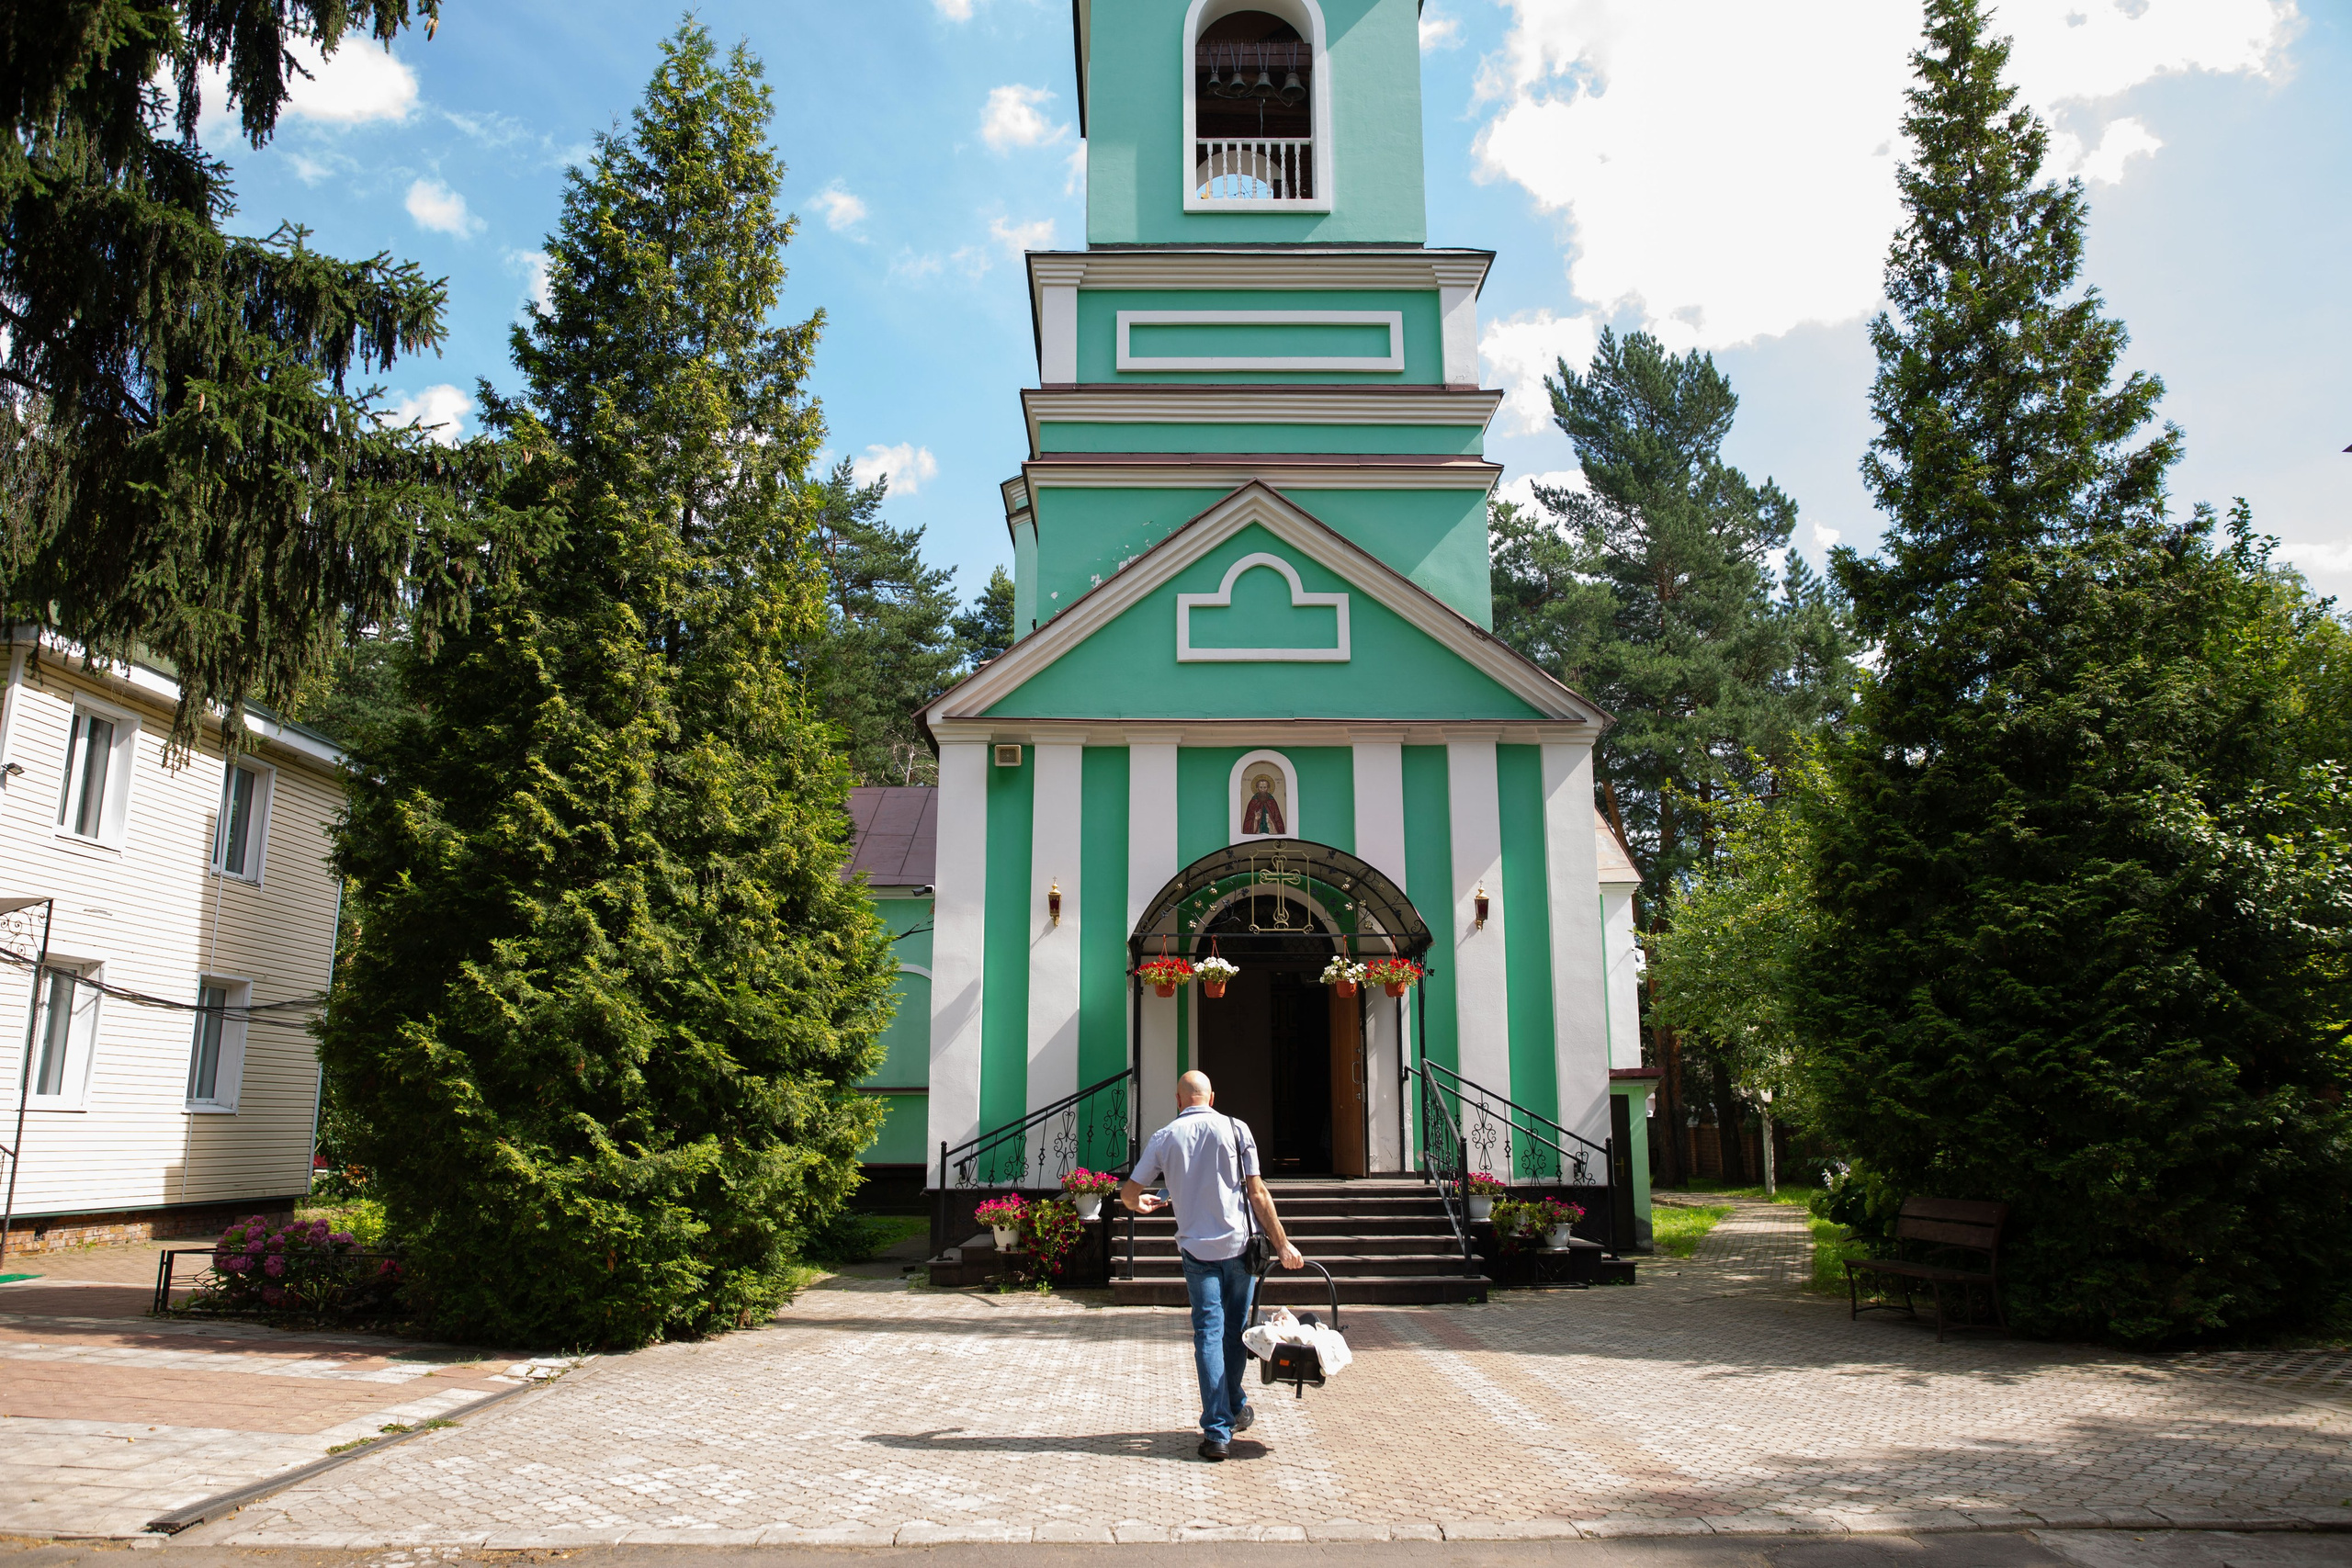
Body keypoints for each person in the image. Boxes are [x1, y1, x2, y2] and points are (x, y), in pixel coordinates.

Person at [1121, 1070, 1303, 1461]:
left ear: (1178, 1099)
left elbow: (1129, 1194)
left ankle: (1219, 1428)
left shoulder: (1165, 1137)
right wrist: (1283, 1243)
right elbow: (1257, 1192)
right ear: (1212, 1097)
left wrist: (1144, 1203)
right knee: (1234, 1332)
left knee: (1208, 1333)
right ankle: (1231, 1407)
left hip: (1197, 1253)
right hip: (1240, 1248)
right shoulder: (1237, 1129)